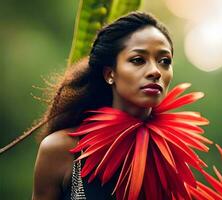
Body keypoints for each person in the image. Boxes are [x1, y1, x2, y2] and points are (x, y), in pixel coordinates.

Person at [32, 11, 174, 199]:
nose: (155, 71)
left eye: (164, 61)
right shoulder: (61, 150)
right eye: (138, 60)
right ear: (110, 74)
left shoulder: (169, 154)